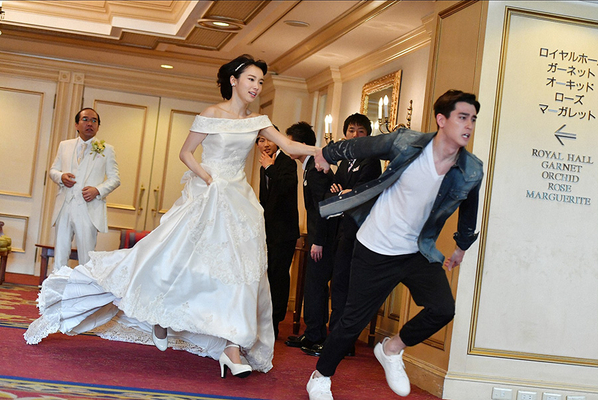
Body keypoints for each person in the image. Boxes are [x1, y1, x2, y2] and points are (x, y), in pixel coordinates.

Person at [24, 54, 319, 379]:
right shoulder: (211, 114)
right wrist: (207, 178)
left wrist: (319, 151)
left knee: (242, 272)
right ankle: (161, 314)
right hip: (208, 195)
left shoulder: (259, 121)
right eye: (251, 79)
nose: (256, 86)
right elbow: (185, 153)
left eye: (260, 81)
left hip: (239, 202)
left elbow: (290, 145)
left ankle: (232, 346)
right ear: (234, 81)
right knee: (176, 260)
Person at [306, 90, 484, 399]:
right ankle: (320, 377)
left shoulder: (471, 169)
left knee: (443, 309)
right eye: (462, 117)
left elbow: (469, 208)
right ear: (442, 120)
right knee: (352, 322)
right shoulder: (406, 142)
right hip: (375, 246)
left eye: (472, 119)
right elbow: (362, 146)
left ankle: (391, 349)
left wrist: (462, 246)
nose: (468, 125)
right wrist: (327, 153)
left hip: (417, 250)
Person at [301, 113, 381, 357]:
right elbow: (333, 192)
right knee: (337, 285)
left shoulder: (371, 160)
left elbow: (367, 192)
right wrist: (342, 191)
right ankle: (334, 339)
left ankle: (341, 343)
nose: (355, 135)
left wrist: (348, 192)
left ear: (367, 135)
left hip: (357, 232)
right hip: (339, 230)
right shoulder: (345, 162)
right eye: (351, 130)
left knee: (344, 287)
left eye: (360, 131)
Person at [49, 108, 120, 268]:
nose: (90, 124)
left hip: (88, 208)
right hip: (64, 205)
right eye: (85, 119)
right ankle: (57, 282)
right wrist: (61, 177)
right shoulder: (64, 145)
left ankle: (84, 284)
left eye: (94, 121)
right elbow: (53, 170)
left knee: (86, 257)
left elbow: (115, 179)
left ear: (98, 126)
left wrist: (98, 190)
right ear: (76, 124)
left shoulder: (107, 149)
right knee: (59, 254)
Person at [285, 122, 334, 351]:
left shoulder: (316, 169)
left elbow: (322, 208)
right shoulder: (309, 167)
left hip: (324, 239)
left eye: (291, 143)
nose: (287, 147)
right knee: (313, 286)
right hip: (318, 236)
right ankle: (312, 333)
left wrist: (318, 241)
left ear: (302, 145)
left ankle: (316, 336)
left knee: (316, 287)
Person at [255, 133, 300, 339]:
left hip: (284, 232)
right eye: (261, 140)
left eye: (269, 140)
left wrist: (270, 168)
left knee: (278, 276)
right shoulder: (264, 165)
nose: (265, 144)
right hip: (268, 232)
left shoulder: (286, 162)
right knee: (268, 276)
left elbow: (286, 187)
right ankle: (266, 320)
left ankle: (275, 321)